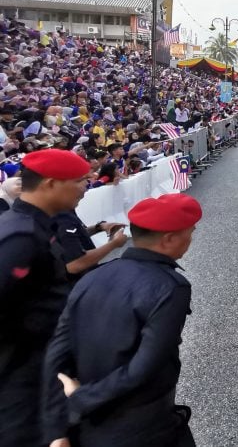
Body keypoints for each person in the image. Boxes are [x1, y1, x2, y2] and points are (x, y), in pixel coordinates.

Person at [42, 193, 201, 447]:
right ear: (170, 239)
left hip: (87, 426)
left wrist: (57, 425)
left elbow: (56, 353)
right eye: (190, 233)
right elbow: (146, 366)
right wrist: (81, 398)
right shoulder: (170, 287)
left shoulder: (93, 277)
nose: (191, 240)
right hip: (144, 424)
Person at [0, 149, 92, 447]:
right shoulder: (20, 237)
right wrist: (54, 379)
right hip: (25, 384)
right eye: (79, 181)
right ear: (51, 183)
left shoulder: (35, 225)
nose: (85, 187)